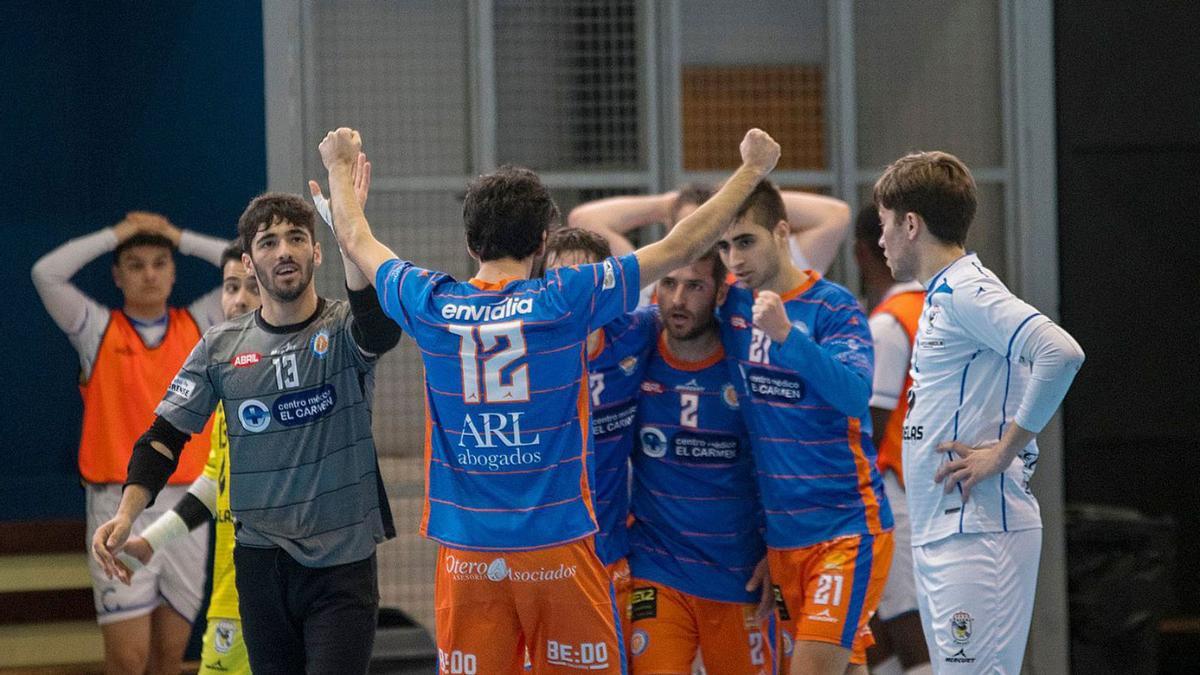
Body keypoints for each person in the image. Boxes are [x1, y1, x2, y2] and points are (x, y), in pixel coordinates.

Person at [320, 126, 780, 673]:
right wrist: (751, 169)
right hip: (559, 549)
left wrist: (340, 168)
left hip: (468, 554)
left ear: (471, 244)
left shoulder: (430, 302)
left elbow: (356, 239)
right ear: (543, 242)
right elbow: (681, 244)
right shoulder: (566, 300)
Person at [92, 152, 405, 674]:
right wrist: (127, 515)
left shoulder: (342, 328)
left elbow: (381, 329)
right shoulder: (220, 348)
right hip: (260, 567)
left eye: (297, 238)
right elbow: (164, 436)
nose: (284, 251)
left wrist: (351, 226)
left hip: (342, 566)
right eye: (269, 242)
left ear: (317, 252)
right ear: (250, 263)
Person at [874, 151, 1084, 673]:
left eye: (884, 226)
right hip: (944, 529)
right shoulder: (941, 296)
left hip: (977, 530)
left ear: (911, 224)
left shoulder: (967, 291)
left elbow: (1060, 352)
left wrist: (1002, 451)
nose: (880, 241)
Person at [31, 211, 226, 674]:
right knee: (127, 660)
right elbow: (46, 273)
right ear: (117, 276)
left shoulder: (200, 326)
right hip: (118, 507)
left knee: (169, 659)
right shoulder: (96, 330)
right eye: (135, 264)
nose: (149, 274)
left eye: (160, 261)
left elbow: (247, 264)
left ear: (174, 270)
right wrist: (114, 235)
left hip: (190, 507)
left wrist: (179, 235)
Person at [716, 180, 894, 675]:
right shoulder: (730, 304)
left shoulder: (832, 306)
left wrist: (785, 337)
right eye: (724, 246)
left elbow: (856, 396)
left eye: (746, 241)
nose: (734, 260)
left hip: (845, 529)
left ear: (780, 232)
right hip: (783, 540)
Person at [624, 248, 772, 674]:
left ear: (721, 294)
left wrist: (775, 548)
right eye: (668, 284)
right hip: (658, 567)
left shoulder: (743, 365)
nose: (677, 299)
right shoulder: (637, 355)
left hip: (739, 572)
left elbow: (773, 460)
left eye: (694, 286)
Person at [121, 242, 262, 675]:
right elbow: (213, 482)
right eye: (230, 286)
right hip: (229, 595)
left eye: (252, 287)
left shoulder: (290, 376)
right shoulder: (223, 381)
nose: (238, 299)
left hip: (280, 594)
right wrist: (151, 541)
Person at [542, 228, 659, 648]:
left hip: (612, 553)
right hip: (548, 558)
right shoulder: (529, 353)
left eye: (584, 277)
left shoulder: (635, 332)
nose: (572, 290)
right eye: (559, 278)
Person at [852, 206, 931, 675]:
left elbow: (869, 429)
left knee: (911, 628)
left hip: (896, 492)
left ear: (864, 254)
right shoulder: (942, 311)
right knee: (875, 632)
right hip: (945, 490)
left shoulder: (888, 324)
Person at [569, 183, 851, 274]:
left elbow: (835, 216)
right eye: (687, 230)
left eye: (708, 231)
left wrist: (739, 195)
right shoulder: (655, 280)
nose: (697, 243)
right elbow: (584, 218)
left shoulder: (755, 272)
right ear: (669, 230)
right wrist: (666, 204)